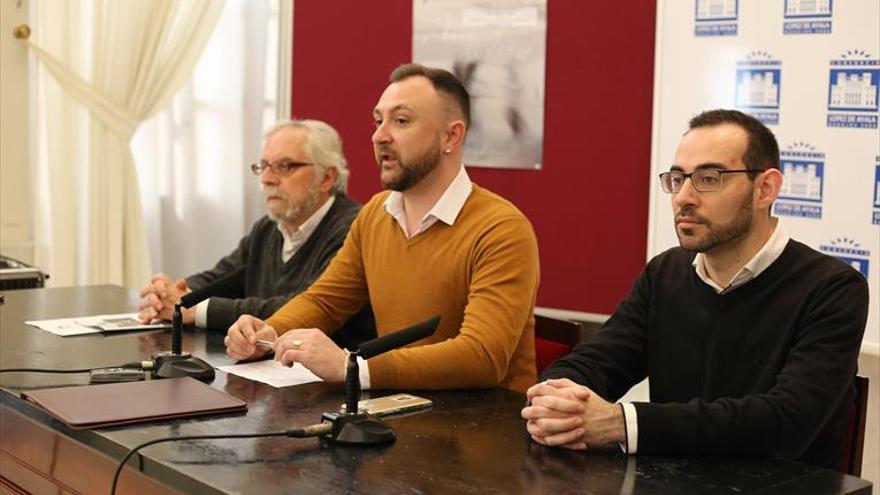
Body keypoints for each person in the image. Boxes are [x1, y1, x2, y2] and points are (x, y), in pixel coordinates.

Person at [521, 109, 868, 467]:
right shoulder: (666, 272)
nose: (683, 197)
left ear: (765, 188)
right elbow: (599, 361)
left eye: (708, 178)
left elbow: (786, 421)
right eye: (677, 178)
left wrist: (623, 424)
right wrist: (554, 397)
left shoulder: (833, 287)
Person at [225, 63, 540, 392]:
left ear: (452, 135)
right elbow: (325, 301)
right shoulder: (376, 213)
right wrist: (267, 333)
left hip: (483, 428)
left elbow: (483, 356)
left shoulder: (502, 229)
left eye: (401, 121)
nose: (379, 136)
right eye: (378, 121)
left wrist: (353, 367)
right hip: (397, 410)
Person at [138, 119, 373, 349]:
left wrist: (196, 310)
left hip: (330, 380)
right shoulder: (268, 228)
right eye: (263, 166)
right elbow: (221, 278)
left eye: (284, 166)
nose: (267, 178)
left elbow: (305, 307)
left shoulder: (353, 228)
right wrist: (170, 294)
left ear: (327, 178)